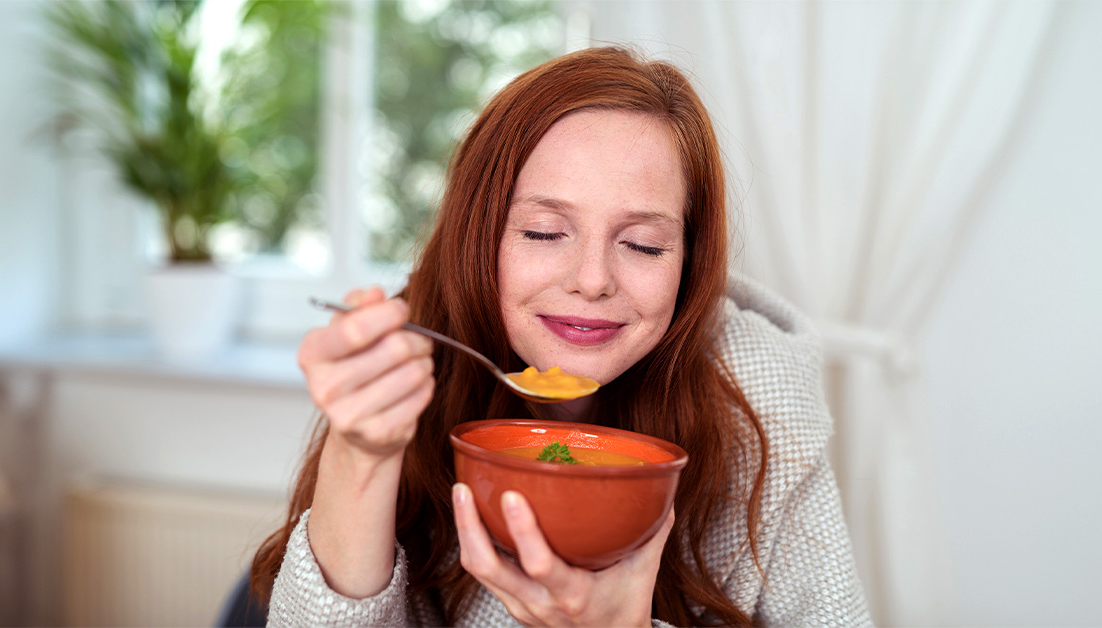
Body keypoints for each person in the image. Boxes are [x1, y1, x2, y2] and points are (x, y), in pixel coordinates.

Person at [252, 46, 872, 627]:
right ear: (480, 236)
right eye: (545, 232)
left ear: (689, 260)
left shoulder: (760, 401)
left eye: (642, 245)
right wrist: (363, 451)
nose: (594, 280)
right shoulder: (403, 369)